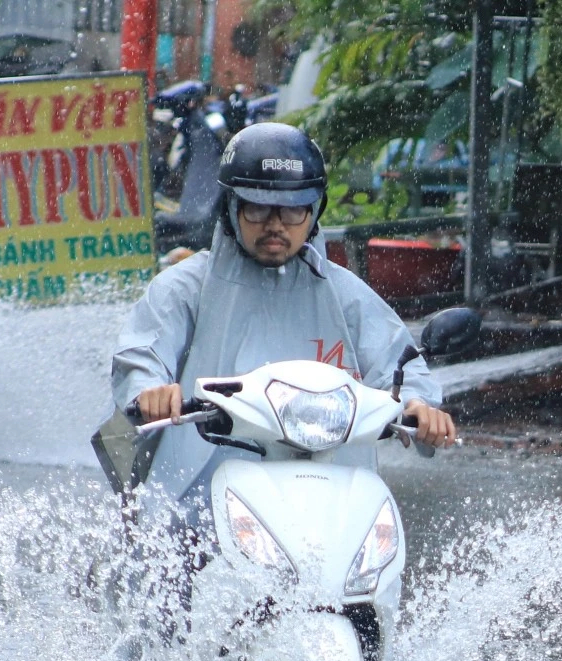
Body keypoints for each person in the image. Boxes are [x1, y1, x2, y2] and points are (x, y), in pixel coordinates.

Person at [110, 121, 456, 506]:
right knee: (169, 554)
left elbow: (399, 363)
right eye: (257, 209)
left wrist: (419, 406)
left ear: (314, 212)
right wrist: (149, 390)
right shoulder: (184, 287)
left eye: (292, 211)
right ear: (231, 206)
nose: (275, 225)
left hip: (330, 484)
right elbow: (142, 354)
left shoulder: (347, 295)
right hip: (201, 490)